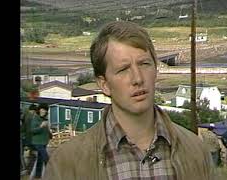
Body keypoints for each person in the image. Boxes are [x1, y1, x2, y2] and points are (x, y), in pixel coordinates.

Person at [43, 21, 215, 180]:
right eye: (123, 69)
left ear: (156, 69)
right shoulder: (67, 163)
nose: (138, 78)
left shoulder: (195, 151)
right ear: (104, 85)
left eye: (144, 64)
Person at [31, 103, 52, 179]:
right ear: (39, 110)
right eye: (42, 109)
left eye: (45, 110)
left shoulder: (45, 119)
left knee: (40, 159)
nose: (43, 111)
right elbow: (32, 130)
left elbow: (46, 130)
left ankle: (37, 175)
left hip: (44, 142)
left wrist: (50, 133)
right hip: (37, 142)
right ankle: (52, 175)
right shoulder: (35, 118)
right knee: (46, 158)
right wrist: (41, 126)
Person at [21, 104, 38, 175]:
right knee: (33, 155)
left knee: (29, 155)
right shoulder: (32, 117)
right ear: (33, 110)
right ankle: (28, 170)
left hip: (26, 138)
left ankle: (27, 169)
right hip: (31, 140)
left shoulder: (25, 116)